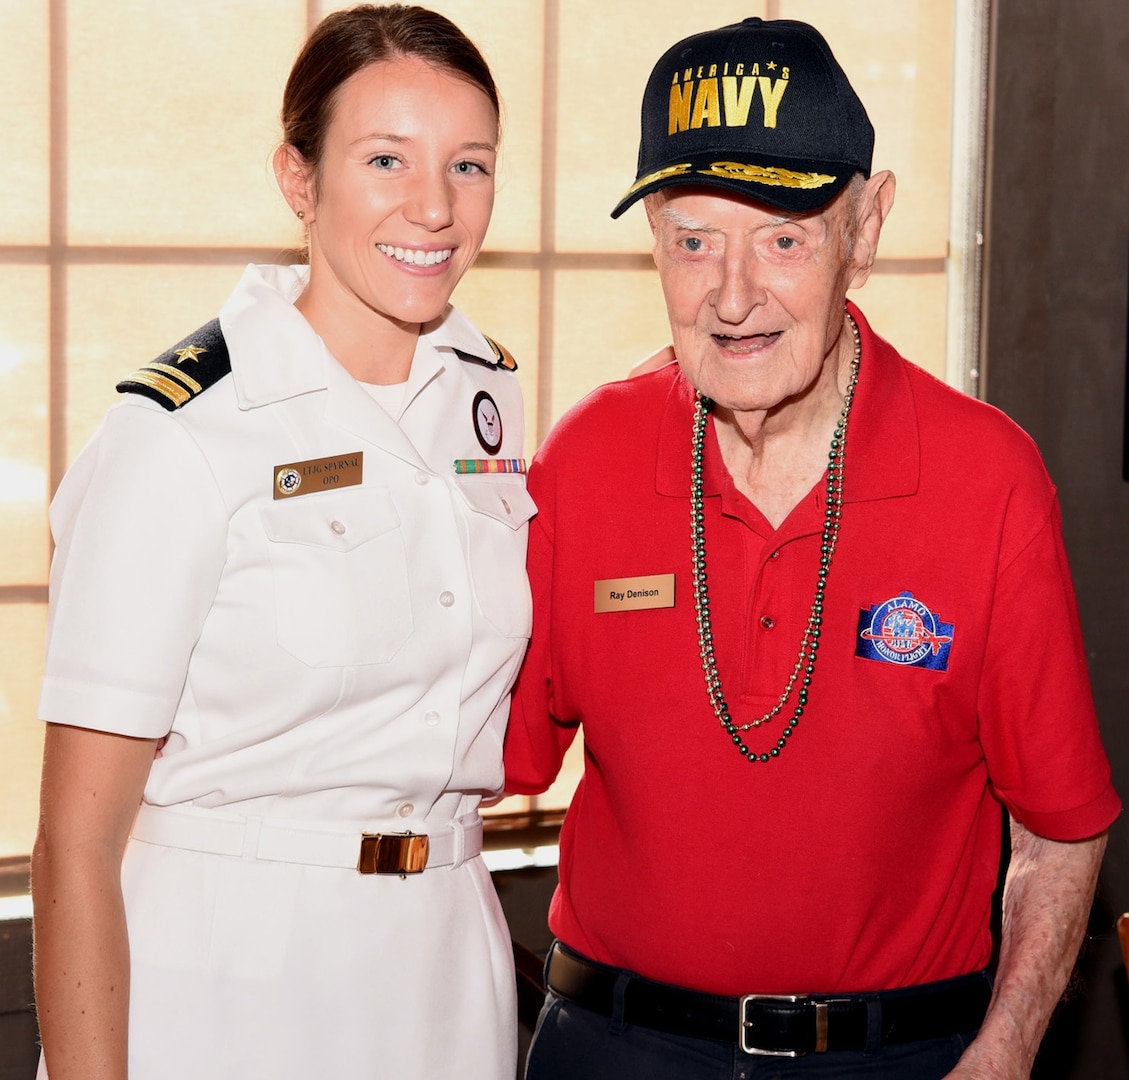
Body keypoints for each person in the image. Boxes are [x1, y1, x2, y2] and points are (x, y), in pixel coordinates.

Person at [504, 16, 1120, 1079]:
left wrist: (1006, 1048)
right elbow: (471, 755)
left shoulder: (988, 480)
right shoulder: (584, 458)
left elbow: (1059, 831)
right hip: (613, 1046)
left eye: (782, 238)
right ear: (653, 237)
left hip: (897, 1057)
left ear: (866, 227)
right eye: (693, 239)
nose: (732, 297)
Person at [31, 6, 533, 1079]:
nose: (433, 208)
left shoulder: (487, 398)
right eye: (384, 159)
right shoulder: (183, 433)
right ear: (298, 180)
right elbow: (74, 847)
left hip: (450, 967)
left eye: (470, 165)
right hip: (230, 980)